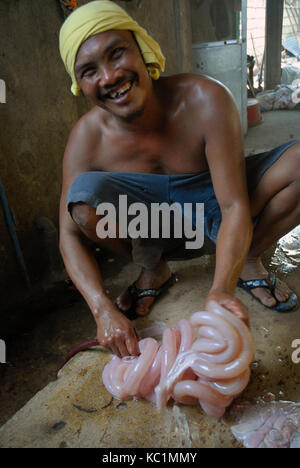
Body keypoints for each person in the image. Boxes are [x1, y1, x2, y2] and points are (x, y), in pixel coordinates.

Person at [59, 0, 299, 358]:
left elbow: (233, 204)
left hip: (221, 209)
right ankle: (153, 270)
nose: (109, 77)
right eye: (89, 71)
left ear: (142, 50)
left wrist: (221, 290)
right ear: (80, 84)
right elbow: (68, 234)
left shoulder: (205, 99)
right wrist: (101, 308)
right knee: (81, 199)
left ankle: (247, 258)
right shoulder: (85, 139)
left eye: (117, 53)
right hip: (154, 231)